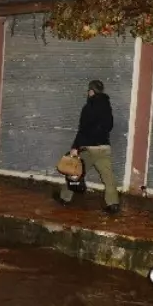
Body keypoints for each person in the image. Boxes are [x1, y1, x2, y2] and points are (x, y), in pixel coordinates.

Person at [59, 79, 120, 214]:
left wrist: (75, 146)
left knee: (74, 171)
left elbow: (83, 129)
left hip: (90, 148)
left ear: (91, 91)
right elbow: (109, 126)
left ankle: (64, 198)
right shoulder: (107, 106)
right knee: (108, 177)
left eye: (88, 91)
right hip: (104, 147)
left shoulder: (89, 107)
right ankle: (113, 203)